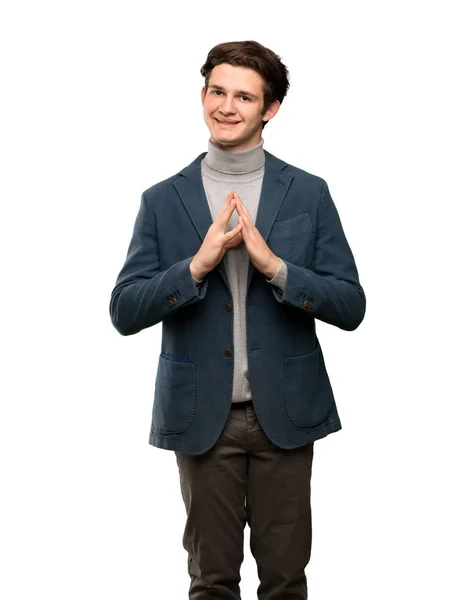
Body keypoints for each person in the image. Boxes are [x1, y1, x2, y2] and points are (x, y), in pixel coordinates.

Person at [109, 40, 366, 600]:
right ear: (203, 95)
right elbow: (124, 311)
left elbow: (351, 305)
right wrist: (195, 267)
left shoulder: (308, 193)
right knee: (211, 582)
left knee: (285, 582)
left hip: (287, 414)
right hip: (202, 417)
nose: (226, 106)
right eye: (217, 91)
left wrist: (276, 268)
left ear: (269, 109)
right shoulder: (162, 200)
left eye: (244, 96)